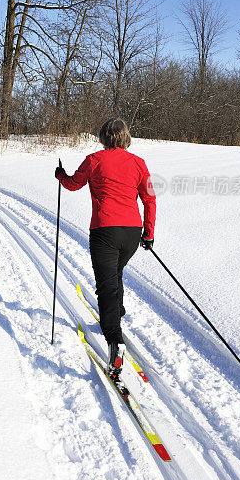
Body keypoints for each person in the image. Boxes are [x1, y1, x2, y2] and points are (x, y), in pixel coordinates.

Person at [55, 118, 155, 380]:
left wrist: (60, 175)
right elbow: (149, 197)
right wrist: (149, 232)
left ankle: (114, 340)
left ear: (104, 136)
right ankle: (117, 312)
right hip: (132, 232)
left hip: (105, 230)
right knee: (116, 273)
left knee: (107, 284)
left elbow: (73, 184)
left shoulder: (94, 159)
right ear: (125, 137)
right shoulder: (139, 163)